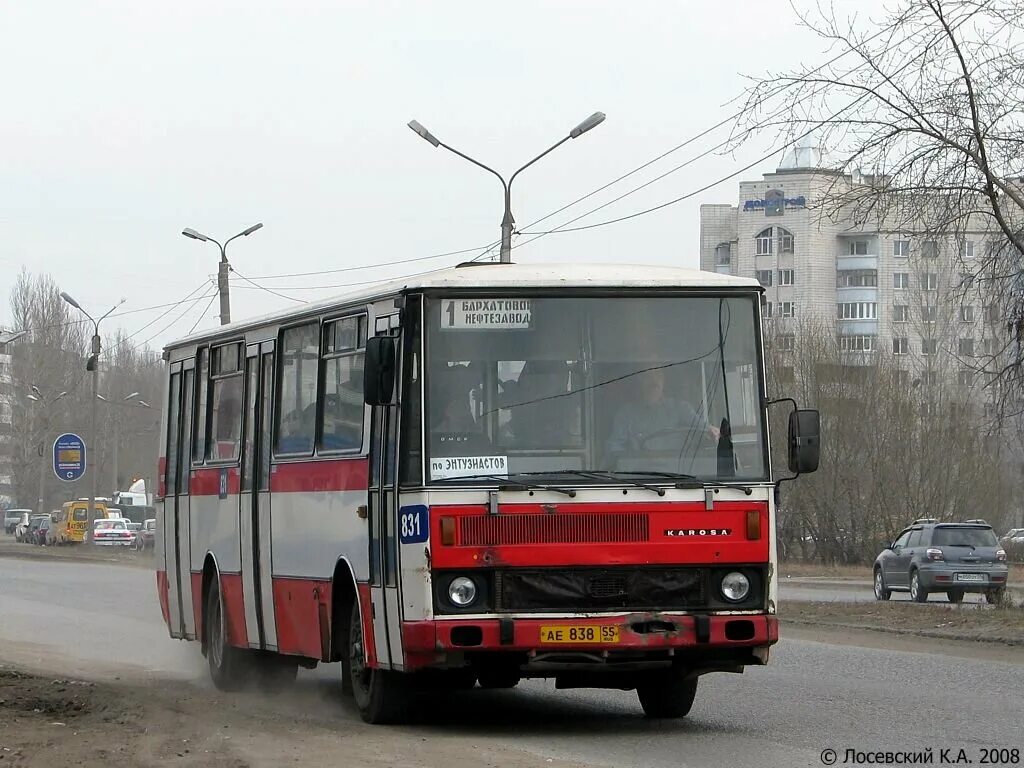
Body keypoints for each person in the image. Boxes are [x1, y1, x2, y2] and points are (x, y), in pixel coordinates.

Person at [606, 367, 719, 455]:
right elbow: (614, 448)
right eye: (647, 376)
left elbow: (702, 429)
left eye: (658, 375)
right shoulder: (626, 414)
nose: (654, 381)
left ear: (664, 381)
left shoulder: (681, 408)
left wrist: (711, 431)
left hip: (679, 476)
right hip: (640, 477)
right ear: (639, 381)